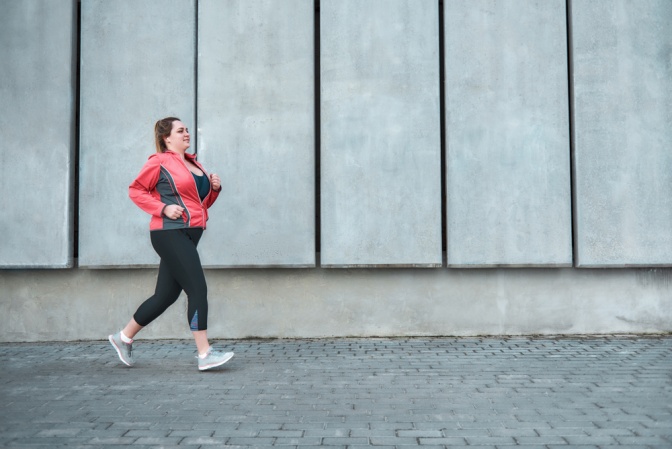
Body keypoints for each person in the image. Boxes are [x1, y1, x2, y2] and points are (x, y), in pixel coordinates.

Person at [109, 117, 233, 371]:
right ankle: (204, 353)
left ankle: (123, 338)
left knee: (165, 296)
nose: (186, 133)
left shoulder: (193, 163)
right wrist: (163, 207)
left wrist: (214, 191)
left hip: (190, 233)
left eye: (187, 129)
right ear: (167, 138)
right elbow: (136, 190)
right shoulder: (159, 162)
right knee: (197, 289)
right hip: (169, 233)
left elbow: (199, 206)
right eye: (180, 131)